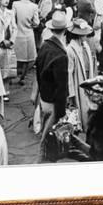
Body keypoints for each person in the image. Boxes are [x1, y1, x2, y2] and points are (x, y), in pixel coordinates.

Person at [36, 10, 70, 162]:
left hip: (43, 99)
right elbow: (61, 88)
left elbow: (37, 72)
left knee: (46, 134)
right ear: (65, 30)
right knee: (49, 141)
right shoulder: (61, 55)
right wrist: (62, 112)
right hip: (53, 103)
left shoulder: (44, 46)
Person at [68, 76, 103, 161]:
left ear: (95, 99)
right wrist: (74, 140)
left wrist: (75, 155)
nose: (85, 98)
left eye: (87, 95)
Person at [66, 18, 95, 131]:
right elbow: (69, 73)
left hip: (88, 80)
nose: (86, 36)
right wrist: (71, 94)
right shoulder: (70, 49)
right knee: (79, 111)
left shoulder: (86, 46)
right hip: (78, 81)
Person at [12, 0, 40, 85]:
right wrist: (31, 24)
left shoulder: (15, 4)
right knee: (28, 58)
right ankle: (23, 76)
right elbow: (36, 22)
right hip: (28, 34)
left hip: (17, 33)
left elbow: (12, 19)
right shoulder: (34, 6)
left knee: (16, 57)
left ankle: (15, 75)